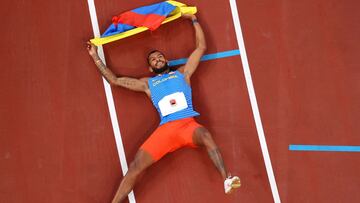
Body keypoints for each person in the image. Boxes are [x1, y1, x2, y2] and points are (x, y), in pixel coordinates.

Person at [87, 13, 240, 203]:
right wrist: (95, 57)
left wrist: (193, 20)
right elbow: (114, 80)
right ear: (151, 68)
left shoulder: (183, 74)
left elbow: (201, 47)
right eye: (153, 59)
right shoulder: (147, 84)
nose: (157, 59)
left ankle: (227, 178)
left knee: (206, 136)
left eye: (160, 56)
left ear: (166, 61)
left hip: (188, 126)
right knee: (135, 166)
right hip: (166, 131)